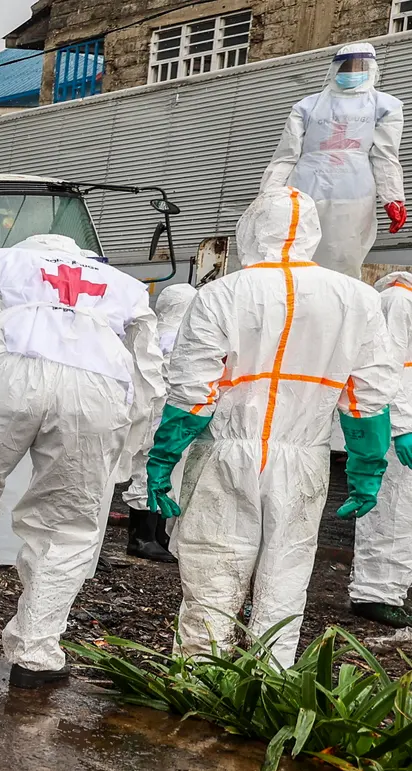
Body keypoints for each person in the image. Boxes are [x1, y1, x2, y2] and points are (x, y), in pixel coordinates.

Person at [149, 188, 395, 666]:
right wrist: (367, 468)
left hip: (227, 450)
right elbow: (368, 397)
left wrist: (162, 460)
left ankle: (200, 673)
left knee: (213, 564)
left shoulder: (221, 294)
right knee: (287, 571)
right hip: (304, 454)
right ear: (313, 235)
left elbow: (192, 393)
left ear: (252, 230)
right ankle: (269, 676)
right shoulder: (359, 300)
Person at [0, 232, 158, 688]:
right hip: (98, 383)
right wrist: (133, 450)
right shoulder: (125, 286)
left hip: (3, 366)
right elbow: (150, 376)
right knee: (67, 525)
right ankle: (37, 653)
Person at [262, 42, 406, 278]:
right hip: (305, 190)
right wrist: (268, 194)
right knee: (298, 253)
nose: (352, 72)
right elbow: (286, 156)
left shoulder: (385, 106)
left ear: (371, 68)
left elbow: (385, 155)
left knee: (345, 257)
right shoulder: (306, 106)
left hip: (353, 194)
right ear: (335, 69)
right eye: (347, 66)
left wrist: (393, 197)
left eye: (359, 66)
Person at [119, 283, 198, 563]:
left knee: (150, 470)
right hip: (163, 416)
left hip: (150, 414)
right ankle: (143, 537)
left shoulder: (150, 333)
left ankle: (153, 534)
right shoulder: (181, 337)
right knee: (152, 473)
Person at [351, 270, 412, 628]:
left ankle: (392, 588)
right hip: (394, 428)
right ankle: (374, 592)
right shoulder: (397, 301)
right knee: (391, 509)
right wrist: (404, 425)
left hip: (402, 423)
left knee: (402, 512)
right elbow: (389, 370)